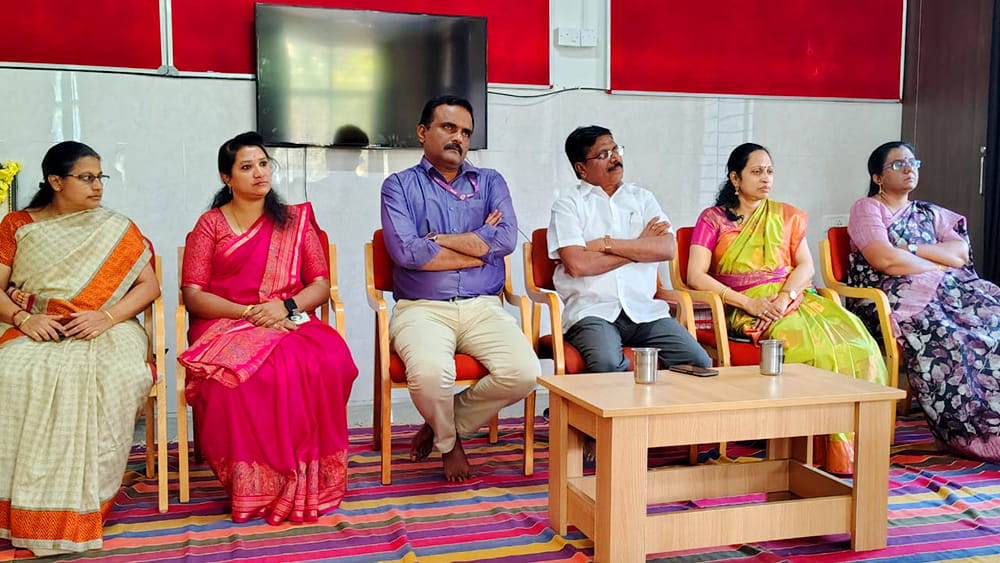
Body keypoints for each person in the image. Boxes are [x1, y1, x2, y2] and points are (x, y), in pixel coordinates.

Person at [178, 132, 358, 524]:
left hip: (287, 316)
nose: (259, 173)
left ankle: (308, 474)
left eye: (263, 164)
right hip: (225, 320)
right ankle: (253, 482)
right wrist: (247, 313)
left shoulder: (293, 222)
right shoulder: (210, 225)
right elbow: (193, 294)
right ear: (227, 177)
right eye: (247, 167)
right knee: (235, 380)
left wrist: (285, 307)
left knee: (328, 361)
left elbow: (320, 284)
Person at [687, 142, 887, 474]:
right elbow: (695, 275)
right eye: (756, 172)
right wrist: (749, 303)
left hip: (791, 298)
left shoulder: (786, 215)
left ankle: (855, 445)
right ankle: (803, 443)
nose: (766, 178)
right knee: (806, 345)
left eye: (770, 171)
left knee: (857, 339)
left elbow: (806, 266)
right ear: (735, 178)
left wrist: (784, 296)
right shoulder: (713, 219)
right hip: (742, 305)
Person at [0, 141, 159, 555]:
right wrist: (24, 319)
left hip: (109, 325)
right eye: (86, 178)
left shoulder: (117, 227)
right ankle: (18, 504)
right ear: (55, 181)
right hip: (38, 323)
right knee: (10, 371)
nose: (98, 186)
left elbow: (149, 286)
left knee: (119, 375)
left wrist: (106, 317)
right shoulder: (18, 225)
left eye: (100, 177)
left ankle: (88, 500)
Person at [380, 95, 539, 482]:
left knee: (524, 373)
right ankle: (450, 444)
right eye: (449, 128)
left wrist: (437, 239)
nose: (459, 138)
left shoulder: (490, 182)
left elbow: (505, 241)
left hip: (483, 305)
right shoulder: (398, 186)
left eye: (466, 132)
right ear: (423, 132)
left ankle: (440, 424)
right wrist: (478, 245)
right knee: (431, 375)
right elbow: (407, 252)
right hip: (422, 307)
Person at [847, 141, 1000, 461]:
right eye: (898, 164)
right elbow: (884, 259)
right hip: (890, 299)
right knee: (952, 336)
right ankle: (975, 433)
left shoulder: (930, 213)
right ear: (877, 177)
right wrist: (937, 264)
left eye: (913, 163)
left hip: (948, 292)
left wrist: (913, 249)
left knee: (992, 321)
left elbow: (959, 255)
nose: (909, 169)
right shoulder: (868, 208)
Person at [548, 125, 711, 372]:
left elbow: (666, 249)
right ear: (581, 168)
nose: (615, 158)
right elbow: (578, 265)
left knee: (698, 362)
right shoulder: (568, 204)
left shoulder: (642, 198)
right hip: (593, 312)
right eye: (604, 154)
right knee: (607, 363)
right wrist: (639, 247)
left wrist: (607, 244)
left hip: (645, 311)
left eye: (616, 150)